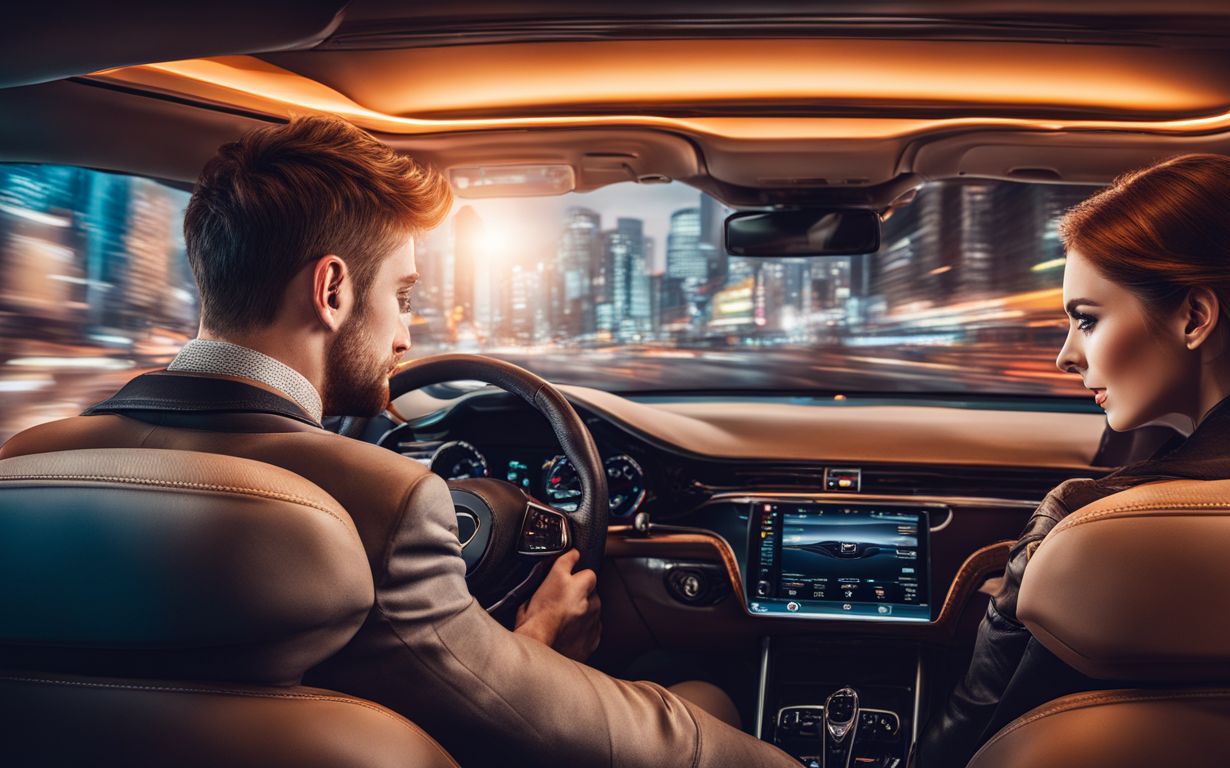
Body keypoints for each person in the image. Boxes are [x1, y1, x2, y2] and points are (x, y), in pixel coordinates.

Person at [0, 116, 796, 768]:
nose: (408, 333)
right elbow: (560, 730)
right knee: (701, 701)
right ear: (334, 289)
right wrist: (544, 642)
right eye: (404, 295)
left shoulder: (28, 463)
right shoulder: (386, 500)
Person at [916, 153, 1230, 767]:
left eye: (1086, 321)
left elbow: (963, 748)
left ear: (1194, 317)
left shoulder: (1093, 526)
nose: (1064, 357)